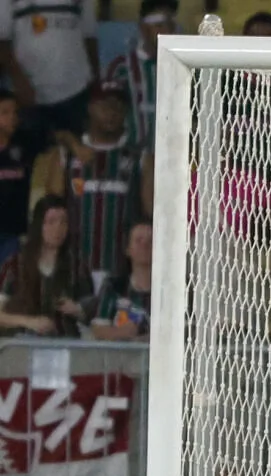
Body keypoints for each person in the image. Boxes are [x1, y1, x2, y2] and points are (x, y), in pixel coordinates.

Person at [43, 81, 151, 293]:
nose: (112, 112)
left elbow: (149, 214)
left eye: (118, 106)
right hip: (74, 271)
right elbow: (50, 209)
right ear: (90, 107)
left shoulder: (141, 158)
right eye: (105, 105)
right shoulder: (67, 155)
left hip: (122, 272)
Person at [0, 0, 97, 135]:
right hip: (28, 94)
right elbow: (2, 41)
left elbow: (90, 37)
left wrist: (96, 83)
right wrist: (19, 80)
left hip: (75, 91)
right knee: (33, 152)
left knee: (76, 150)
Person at [0, 194, 90, 337]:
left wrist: (78, 309)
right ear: (38, 224)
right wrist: (29, 322)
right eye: (51, 222)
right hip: (23, 344)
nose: (58, 228)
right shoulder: (15, 265)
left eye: (63, 222)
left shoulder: (77, 266)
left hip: (65, 344)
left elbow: (92, 312)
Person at [105, 0, 177, 150]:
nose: (167, 30)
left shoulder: (181, 68)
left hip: (171, 159)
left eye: (170, 24)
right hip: (130, 160)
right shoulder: (121, 68)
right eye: (159, 25)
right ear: (143, 28)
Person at [0, 90, 51, 265]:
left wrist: (75, 144)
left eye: (15, 112)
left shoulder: (25, 142)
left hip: (15, 233)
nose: (13, 117)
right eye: (5, 112)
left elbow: (60, 136)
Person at [85, 219, 152, 341]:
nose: (145, 245)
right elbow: (98, 329)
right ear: (128, 249)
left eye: (151, 241)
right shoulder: (113, 286)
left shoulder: (173, 289)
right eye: (138, 240)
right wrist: (121, 333)